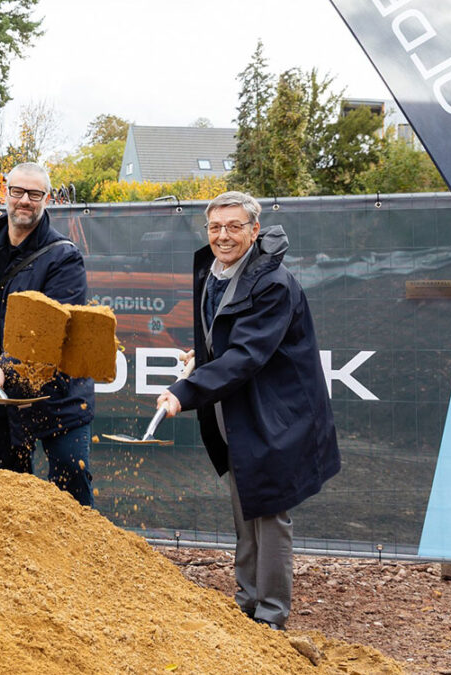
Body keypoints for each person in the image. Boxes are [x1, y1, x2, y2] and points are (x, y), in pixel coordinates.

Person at [156, 190, 340, 630]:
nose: (223, 235)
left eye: (234, 226)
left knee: (270, 510)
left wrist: (186, 390)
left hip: (277, 414)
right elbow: (223, 336)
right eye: (216, 227)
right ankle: (247, 602)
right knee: (245, 504)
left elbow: (247, 354)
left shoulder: (273, 283)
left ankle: (271, 616)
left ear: (254, 231)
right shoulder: (214, 270)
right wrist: (202, 356)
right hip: (236, 409)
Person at [0, 162, 94, 507]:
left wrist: (4, 367)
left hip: (57, 396)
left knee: (70, 487)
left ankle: (78, 560)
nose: (24, 200)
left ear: (48, 199)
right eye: (17, 191)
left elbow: (49, 330)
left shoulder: (64, 257)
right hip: (1, 395)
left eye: (35, 194)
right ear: (4, 194)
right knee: (11, 492)